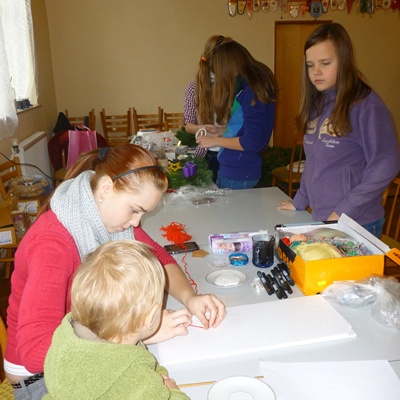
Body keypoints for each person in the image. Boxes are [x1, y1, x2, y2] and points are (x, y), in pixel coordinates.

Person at [5, 144, 226, 399]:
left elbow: (159, 258)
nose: (136, 222)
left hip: (89, 347)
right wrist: (139, 333)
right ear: (106, 189)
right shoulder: (51, 245)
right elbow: (35, 352)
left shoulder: (104, 218)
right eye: (135, 210)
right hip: (43, 378)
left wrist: (190, 298)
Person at [277, 23, 400, 237]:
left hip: (356, 223)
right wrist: (299, 201)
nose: (316, 71)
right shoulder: (318, 104)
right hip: (325, 218)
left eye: (325, 63)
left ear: (344, 60)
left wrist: (342, 212)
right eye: (310, 65)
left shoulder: (366, 104)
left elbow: (385, 165)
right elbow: (313, 161)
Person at [43, 240, 190, 399]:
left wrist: (157, 374)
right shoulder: (135, 377)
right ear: (150, 316)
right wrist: (173, 391)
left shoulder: (67, 332)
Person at [195, 40, 277, 190]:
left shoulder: (252, 93)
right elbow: (243, 128)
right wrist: (220, 131)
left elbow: (250, 142)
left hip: (239, 172)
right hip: (234, 169)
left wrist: (215, 141)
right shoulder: (247, 90)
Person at [184, 35, 232, 182]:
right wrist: (202, 128)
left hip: (230, 153)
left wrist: (220, 131)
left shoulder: (234, 85)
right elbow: (188, 125)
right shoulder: (194, 88)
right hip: (206, 155)